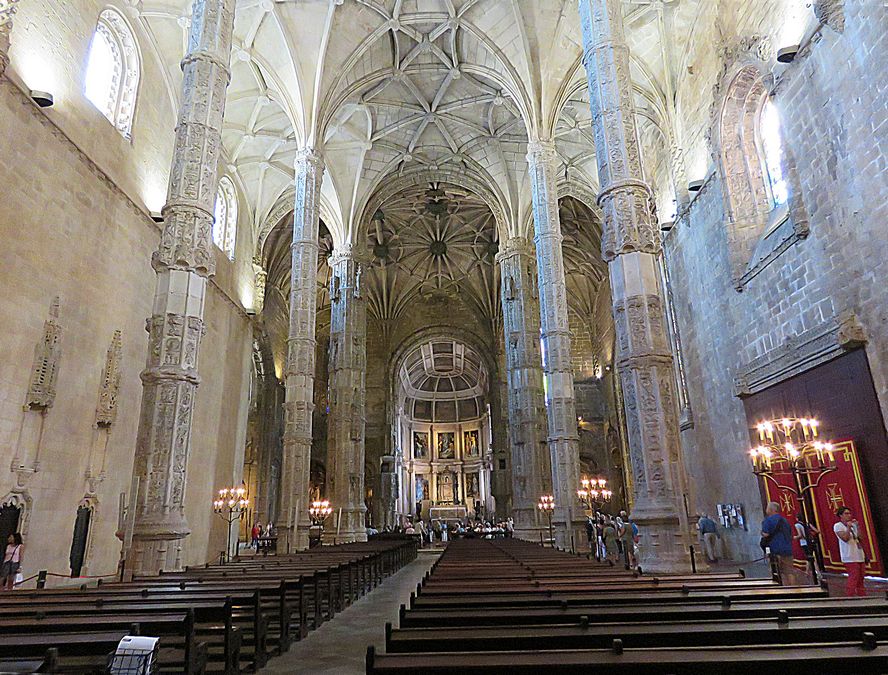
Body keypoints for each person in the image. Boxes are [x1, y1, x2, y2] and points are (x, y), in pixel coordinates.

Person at [761, 501, 804, 586]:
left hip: (774, 550)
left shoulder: (768, 520)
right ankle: (793, 590)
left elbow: (766, 534)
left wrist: (761, 533)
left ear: (771, 509)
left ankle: (780, 591)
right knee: (789, 572)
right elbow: (790, 535)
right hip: (787, 549)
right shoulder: (785, 520)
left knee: (775, 572)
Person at [834, 506, 867, 596]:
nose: (849, 515)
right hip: (849, 556)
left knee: (861, 577)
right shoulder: (838, 526)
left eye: (849, 513)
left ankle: (862, 595)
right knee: (853, 577)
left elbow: (860, 538)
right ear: (841, 515)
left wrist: (857, 526)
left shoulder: (853, 525)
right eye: (846, 513)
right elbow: (845, 538)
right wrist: (848, 528)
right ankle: (850, 596)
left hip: (859, 554)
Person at [793, 512, 819, 583]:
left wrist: (794, 537)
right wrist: (811, 534)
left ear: (797, 518)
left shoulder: (797, 525)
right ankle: (807, 571)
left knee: (810, 558)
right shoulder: (807, 524)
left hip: (804, 542)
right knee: (809, 557)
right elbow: (817, 531)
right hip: (812, 541)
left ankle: (817, 572)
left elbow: (800, 535)